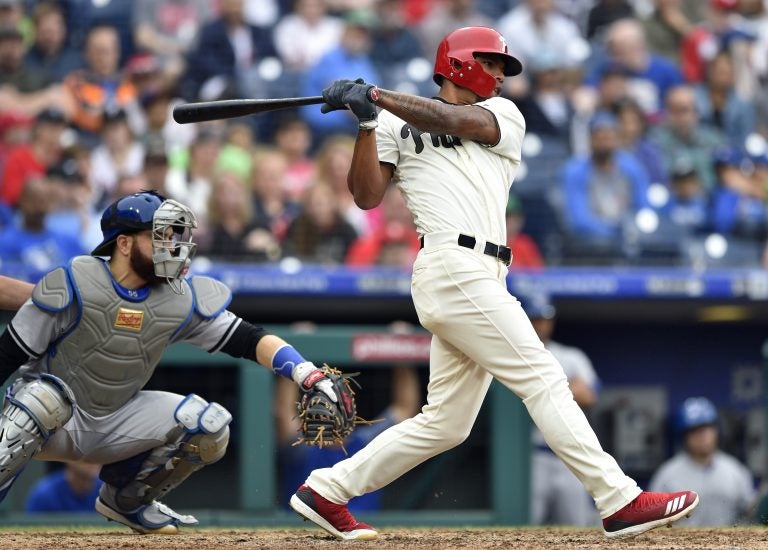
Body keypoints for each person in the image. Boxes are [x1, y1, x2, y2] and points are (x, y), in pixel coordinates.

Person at [288, 26, 699, 541]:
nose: (501, 76)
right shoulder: (393, 122)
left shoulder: (504, 114)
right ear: (461, 63)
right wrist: (368, 124)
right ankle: (619, 499)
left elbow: (456, 120)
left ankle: (326, 490)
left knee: (446, 424)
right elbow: (367, 196)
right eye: (494, 64)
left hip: (483, 273)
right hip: (450, 265)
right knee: (544, 378)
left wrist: (377, 96)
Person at [0, 190, 347, 534]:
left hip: (115, 423)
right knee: (43, 400)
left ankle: (127, 501)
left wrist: (307, 374)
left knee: (210, 426)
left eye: (172, 236)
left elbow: (249, 338)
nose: (172, 246)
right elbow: (7, 354)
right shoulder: (75, 283)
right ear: (123, 244)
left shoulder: (179, 297)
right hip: (46, 423)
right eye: (159, 236)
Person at [517, 290, 599, 526]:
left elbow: (588, 395)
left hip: (568, 456)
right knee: (525, 527)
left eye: (544, 319)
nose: (540, 325)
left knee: (577, 527)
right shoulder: (510, 356)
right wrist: (564, 388)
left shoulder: (570, 356)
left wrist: (538, 391)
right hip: (531, 455)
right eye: (534, 319)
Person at [649, 397, 756, 526]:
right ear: (684, 436)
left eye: (706, 428)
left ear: (716, 431)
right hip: (681, 544)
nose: (702, 436)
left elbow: (751, 513)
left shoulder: (735, 471)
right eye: (694, 431)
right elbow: (652, 520)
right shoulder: (667, 475)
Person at [25, 462, 102, 513]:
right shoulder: (44, 494)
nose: (93, 459)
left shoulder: (109, 491)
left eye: (97, 451)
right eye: (86, 452)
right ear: (67, 457)